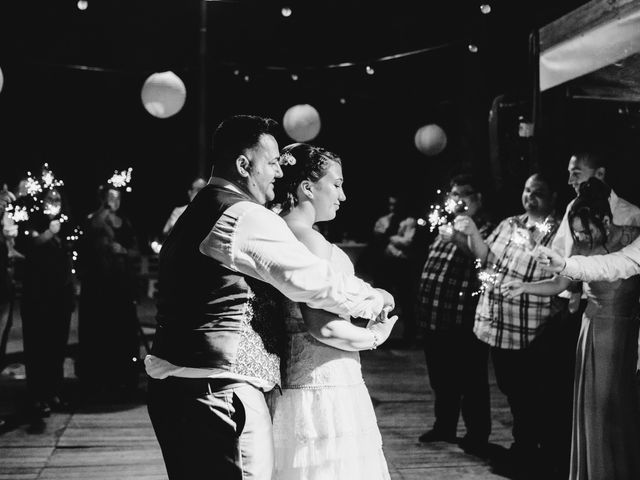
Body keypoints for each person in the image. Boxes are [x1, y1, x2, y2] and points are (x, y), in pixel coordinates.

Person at [145, 115, 394, 480]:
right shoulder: (241, 215)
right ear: (244, 165)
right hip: (219, 389)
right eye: (273, 162)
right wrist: (376, 299)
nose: (279, 172)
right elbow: (310, 281)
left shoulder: (200, 209)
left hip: (178, 384)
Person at [267, 143, 396, 479]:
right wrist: (374, 335)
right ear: (308, 187)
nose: (343, 196)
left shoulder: (276, 229)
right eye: (336, 184)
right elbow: (322, 326)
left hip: (290, 379)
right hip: (323, 380)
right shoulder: (309, 240)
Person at [504, 178, 640, 480]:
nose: (580, 236)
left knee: (621, 410)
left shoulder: (633, 238)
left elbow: (613, 266)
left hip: (627, 335)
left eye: (584, 229)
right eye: (575, 231)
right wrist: (524, 286)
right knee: (596, 411)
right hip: (593, 332)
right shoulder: (581, 247)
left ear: (605, 220)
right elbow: (560, 283)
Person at [454, 173, 560, 476]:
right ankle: (524, 446)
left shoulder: (556, 231)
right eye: (527, 190)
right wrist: (470, 233)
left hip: (529, 326)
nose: (530, 197)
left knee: (528, 392)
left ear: (552, 197)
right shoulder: (510, 223)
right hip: (498, 323)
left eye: (538, 192)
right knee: (510, 387)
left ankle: (529, 450)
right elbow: (486, 257)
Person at [544, 151, 640, 476]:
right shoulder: (576, 210)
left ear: (599, 172)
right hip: (595, 315)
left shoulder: (632, 215)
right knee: (600, 411)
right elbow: (615, 264)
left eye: (578, 173)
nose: (571, 181)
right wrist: (567, 269)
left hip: (624, 325)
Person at [416, 173, 493, 456]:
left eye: (466, 194)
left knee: (470, 379)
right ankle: (444, 426)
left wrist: (459, 237)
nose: (459, 200)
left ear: (478, 199)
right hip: (435, 315)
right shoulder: (447, 224)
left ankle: (477, 434)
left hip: (463, 318)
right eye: (455, 193)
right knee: (441, 377)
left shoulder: (484, 226)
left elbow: (483, 259)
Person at [77, 184, 140, 393]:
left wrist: (122, 249)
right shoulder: (94, 219)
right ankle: (96, 377)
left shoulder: (126, 223)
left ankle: (121, 376)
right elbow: (92, 228)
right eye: (112, 197)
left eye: (118, 198)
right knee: (98, 330)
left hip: (120, 284)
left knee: (120, 330)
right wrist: (104, 208)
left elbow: (135, 251)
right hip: (97, 285)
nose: (116, 202)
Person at [18, 187, 74, 417]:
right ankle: (37, 397)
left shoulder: (65, 225)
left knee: (57, 347)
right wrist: (49, 233)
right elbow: (27, 247)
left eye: (58, 198)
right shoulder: (32, 222)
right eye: (50, 198)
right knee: (37, 347)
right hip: (37, 297)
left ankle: (53, 392)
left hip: (60, 295)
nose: (54, 202)